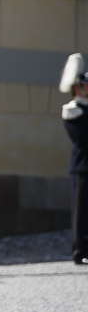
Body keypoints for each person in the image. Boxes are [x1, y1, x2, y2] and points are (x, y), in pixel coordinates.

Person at [60, 52, 88, 265]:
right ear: (78, 87)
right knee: (81, 211)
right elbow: (81, 138)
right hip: (83, 166)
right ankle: (80, 250)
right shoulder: (73, 111)